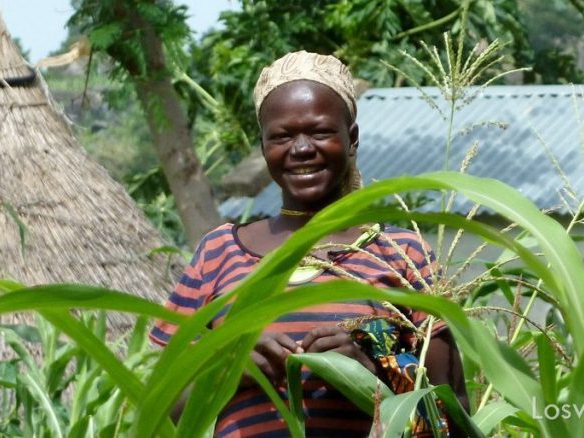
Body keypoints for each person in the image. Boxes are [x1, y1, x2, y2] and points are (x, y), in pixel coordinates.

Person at [151, 51, 468, 437]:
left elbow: (452, 419)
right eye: (282, 136)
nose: (301, 148)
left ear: (351, 139)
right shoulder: (219, 251)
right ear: (264, 144)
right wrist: (228, 370)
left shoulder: (403, 254)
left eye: (319, 132)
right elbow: (163, 407)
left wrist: (369, 373)